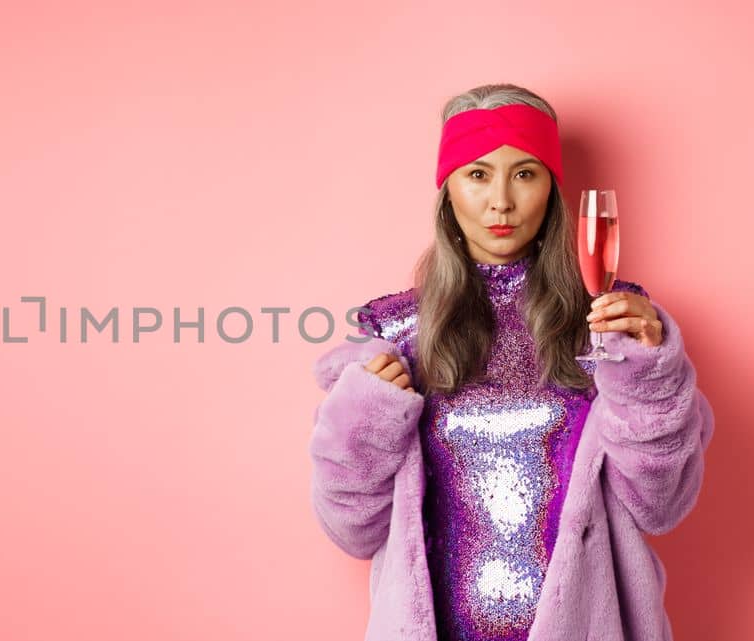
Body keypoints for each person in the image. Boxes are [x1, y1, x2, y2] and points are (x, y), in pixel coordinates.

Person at [307, 83, 716, 641]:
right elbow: (353, 530)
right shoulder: (396, 334)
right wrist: (362, 420)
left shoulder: (611, 322)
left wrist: (649, 376)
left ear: (552, 188)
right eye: (478, 174)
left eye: (525, 173)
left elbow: (661, 505)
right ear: (447, 189)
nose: (501, 200)